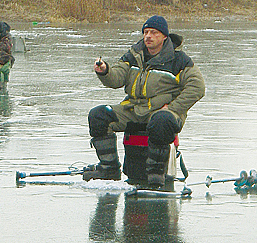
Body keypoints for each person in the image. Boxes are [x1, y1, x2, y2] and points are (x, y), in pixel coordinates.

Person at [83, 15, 205, 188]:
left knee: (161, 121)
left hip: (163, 113)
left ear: (164, 36)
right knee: (99, 115)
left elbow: (197, 87)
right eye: (146, 32)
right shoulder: (133, 56)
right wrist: (105, 71)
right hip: (134, 110)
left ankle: (156, 174)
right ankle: (109, 169)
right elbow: (116, 78)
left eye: (153, 32)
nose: (148, 36)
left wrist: (172, 108)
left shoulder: (180, 60)